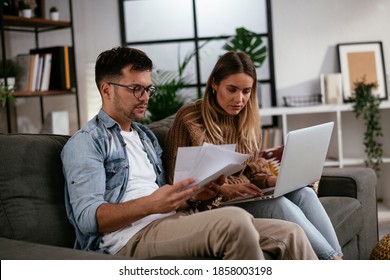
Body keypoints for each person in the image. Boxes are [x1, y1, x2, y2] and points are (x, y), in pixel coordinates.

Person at [61, 46, 317, 260]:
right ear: (106, 89)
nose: (145, 97)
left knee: (290, 233)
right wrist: (152, 204)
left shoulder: (145, 137)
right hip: (128, 239)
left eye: (148, 89)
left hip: (174, 220)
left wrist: (199, 195)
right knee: (235, 221)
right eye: (136, 89)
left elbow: (171, 198)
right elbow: (87, 218)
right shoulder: (87, 143)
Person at [164, 51, 343, 260]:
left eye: (246, 91)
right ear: (214, 83)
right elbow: (176, 181)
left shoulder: (247, 119)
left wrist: (274, 180)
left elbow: (251, 168)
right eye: (232, 89)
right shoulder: (190, 118)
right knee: (280, 204)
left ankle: (337, 257)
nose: (239, 99)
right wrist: (224, 188)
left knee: (305, 193)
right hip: (211, 204)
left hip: (244, 196)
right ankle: (335, 263)